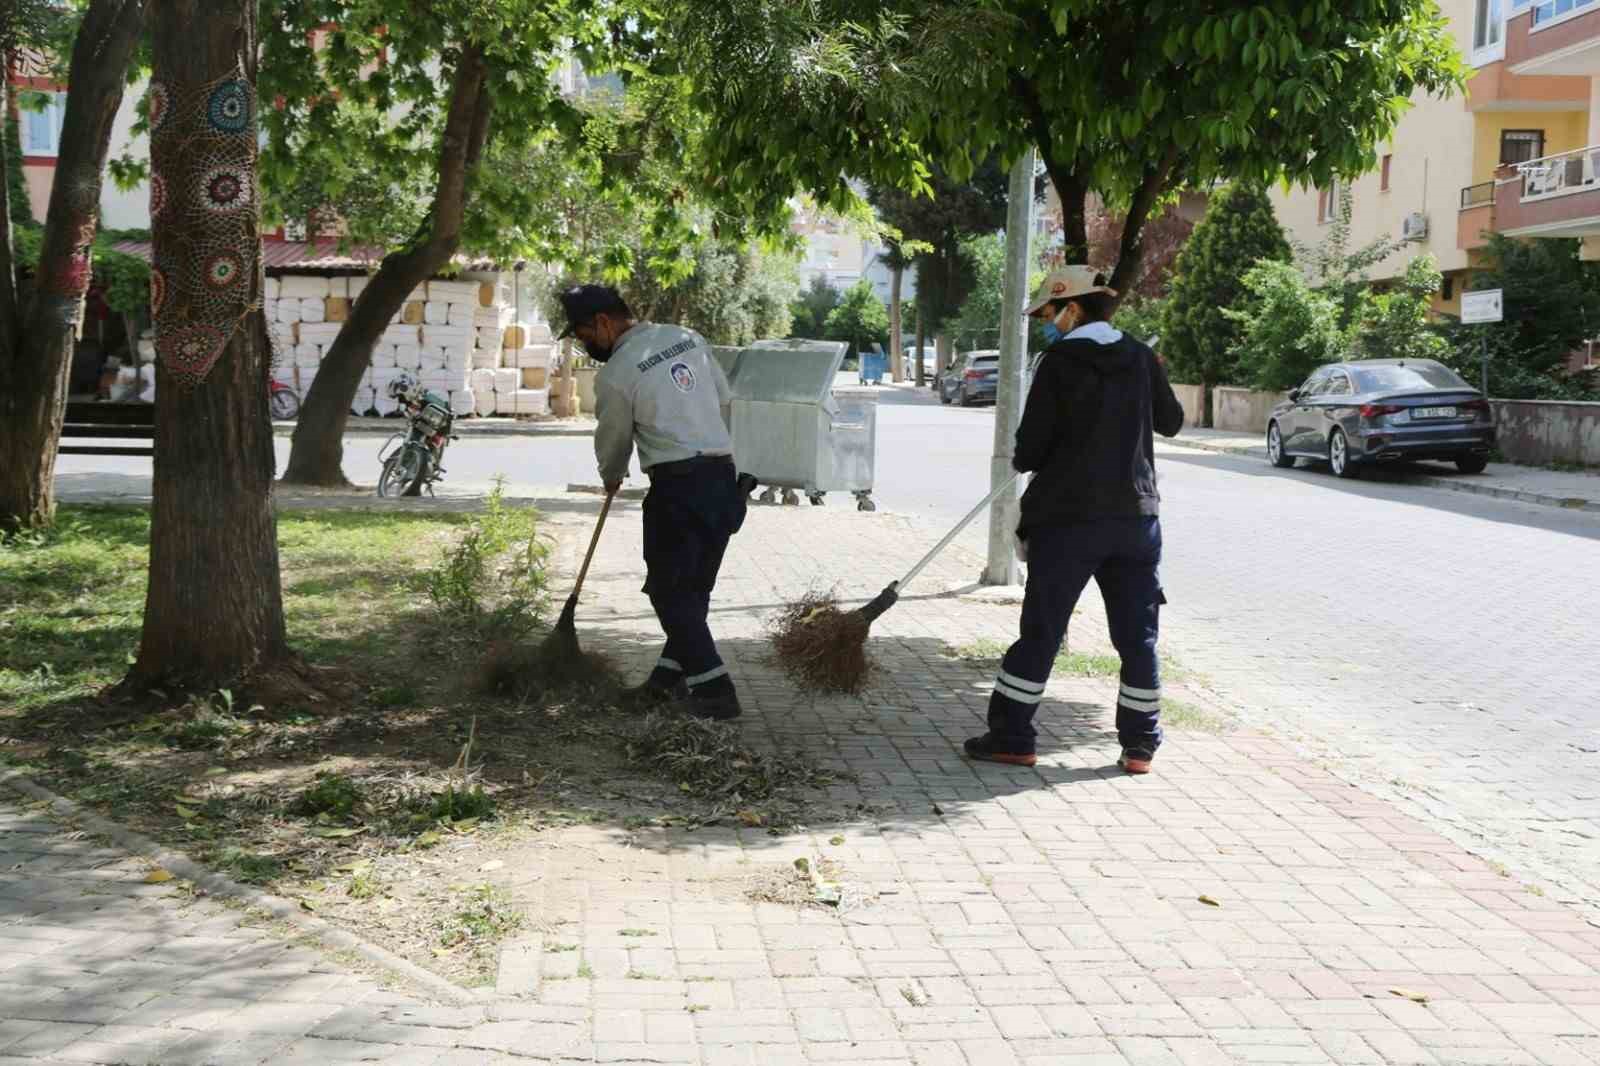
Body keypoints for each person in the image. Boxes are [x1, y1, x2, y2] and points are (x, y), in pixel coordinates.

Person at [965, 267, 1185, 774]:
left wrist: (1032, 456)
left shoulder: (1059, 361)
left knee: (1042, 630)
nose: (1048, 322)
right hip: (1136, 519)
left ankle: (1012, 737)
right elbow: (1171, 422)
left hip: (1068, 520)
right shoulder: (1139, 356)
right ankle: (1140, 746)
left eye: (1049, 313)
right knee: (1138, 638)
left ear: (1074, 308)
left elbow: (1031, 449)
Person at [557, 284, 748, 721]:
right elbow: (724, 399)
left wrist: (611, 473)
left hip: (678, 486)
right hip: (722, 479)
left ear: (604, 322)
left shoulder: (618, 372)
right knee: (693, 589)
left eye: (584, 333)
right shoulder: (687, 337)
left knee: (668, 593)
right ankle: (664, 684)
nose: (585, 344)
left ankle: (715, 689)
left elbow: (613, 436)